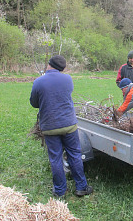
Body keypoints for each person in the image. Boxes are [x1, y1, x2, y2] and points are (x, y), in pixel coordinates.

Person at [30, 55, 93, 198]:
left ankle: (59, 191)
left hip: (50, 127)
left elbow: (34, 103)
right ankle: (81, 187)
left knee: (56, 158)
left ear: (49, 65)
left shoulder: (39, 81)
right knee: (75, 155)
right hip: (69, 125)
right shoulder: (68, 79)